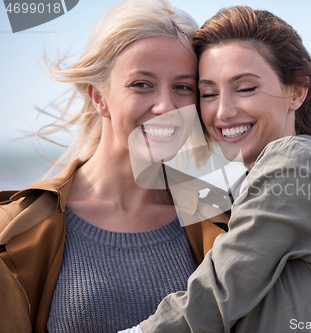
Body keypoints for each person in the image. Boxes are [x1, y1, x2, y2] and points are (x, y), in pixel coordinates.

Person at [125, 6, 311, 333]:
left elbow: (217, 294)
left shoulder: (293, 160)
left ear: (297, 91)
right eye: (207, 93)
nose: (224, 111)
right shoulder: (259, 176)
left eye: (246, 88)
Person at [0, 1, 228, 332]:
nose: (165, 106)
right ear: (99, 97)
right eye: (141, 84)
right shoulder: (15, 228)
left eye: (183, 87)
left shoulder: (221, 211)